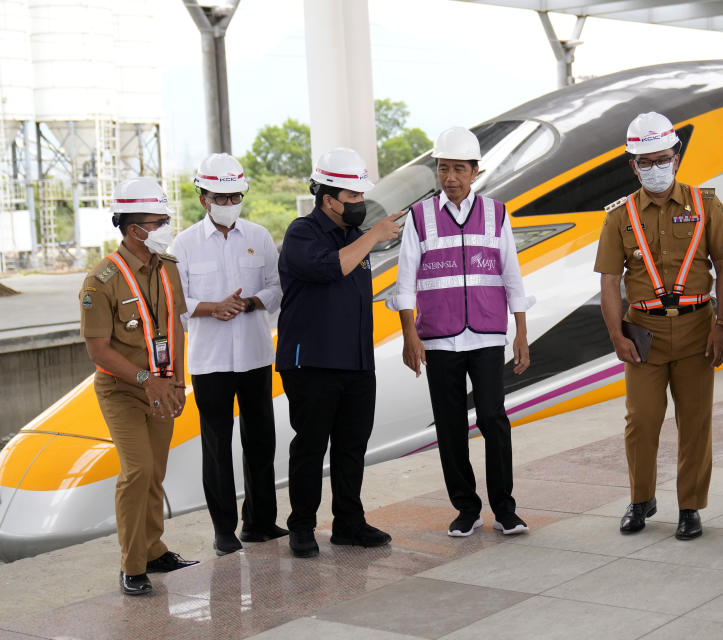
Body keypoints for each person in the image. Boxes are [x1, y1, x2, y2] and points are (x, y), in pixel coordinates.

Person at [389, 126, 534, 538]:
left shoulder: (497, 213)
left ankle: (505, 509)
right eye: (443, 168)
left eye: (458, 169)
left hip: (487, 335)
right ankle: (466, 508)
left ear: (475, 171)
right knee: (450, 425)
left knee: (493, 418)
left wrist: (520, 333)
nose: (450, 177)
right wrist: (409, 336)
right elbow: (404, 282)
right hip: (438, 338)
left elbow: (512, 277)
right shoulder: (419, 218)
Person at [594, 112, 723, 540]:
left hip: (697, 328)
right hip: (643, 333)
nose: (656, 168)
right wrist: (616, 335)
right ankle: (641, 499)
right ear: (634, 166)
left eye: (663, 158)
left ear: (677, 155)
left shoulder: (705, 204)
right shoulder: (620, 217)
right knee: (642, 420)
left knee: (695, 423)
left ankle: (690, 507)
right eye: (646, 162)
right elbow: (609, 282)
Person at [276, 147, 401, 558]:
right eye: (352, 198)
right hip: (312, 362)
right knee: (311, 445)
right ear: (328, 199)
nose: (359, 204)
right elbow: (330, 268)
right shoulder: (302, 233)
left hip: (355, 362)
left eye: (361, 197)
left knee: (352, 445)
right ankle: (302, 526)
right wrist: (373, 236)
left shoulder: (353, 237)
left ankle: (349, 523)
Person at [80, 177, 198, 596]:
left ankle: (153, 548)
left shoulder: (166, 269)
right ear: (135, 229)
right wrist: (148, 381)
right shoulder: (102, 280)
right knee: (138, 470)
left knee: (156, 471)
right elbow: (98, 352)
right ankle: (132, 566)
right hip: (122, 389)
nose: (167, 225)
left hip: (163, 386)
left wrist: (177, 382)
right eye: (159, 220)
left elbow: (176, 329)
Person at [170, 153, 286, 556]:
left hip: (255, 355)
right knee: (216, 447)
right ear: (203, 198)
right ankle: (224, 530)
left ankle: (260, 522)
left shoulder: (259, 237)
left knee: (261, 442)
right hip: (211, 361)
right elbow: (176, 300)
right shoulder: (182, 245)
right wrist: (212, 307)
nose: (228, 203)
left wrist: (252, 302)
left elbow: (277, 287)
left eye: (235, 195)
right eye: (220, 197)